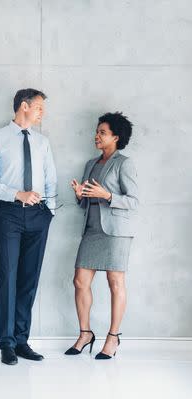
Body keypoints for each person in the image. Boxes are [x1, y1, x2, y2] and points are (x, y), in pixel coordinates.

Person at [0, 88, 57, 365]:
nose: (41, 113)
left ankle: (22, 340)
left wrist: (49, 212)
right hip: (8, 214)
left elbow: (50, 180)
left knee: (29, 279)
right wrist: (17, 194)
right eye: (38, 108)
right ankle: (6, 344)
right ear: (24, 106)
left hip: (39, 216)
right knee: (8, 277)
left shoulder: (42, 142)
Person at [65, 112, 138, 360]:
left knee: (115, 283)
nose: (96, 136)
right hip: (92, 229)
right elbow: (85, 204)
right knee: (79, 281)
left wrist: (107, 196)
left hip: (116, 232)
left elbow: (133, 201)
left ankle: (113, 337)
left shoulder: (124, 163)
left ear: (116, 137)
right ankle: (85, 333)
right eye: (97, 132)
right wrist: (79, 195)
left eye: (102, 133)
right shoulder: (90, 164)